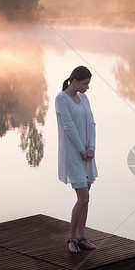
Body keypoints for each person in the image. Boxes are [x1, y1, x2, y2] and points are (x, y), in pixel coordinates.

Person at [55, 66, 98, 253]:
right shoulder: (61, 99)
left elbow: (92, 124)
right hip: (74, 155)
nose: (87, 88)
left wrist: (91, 148)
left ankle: (82, 237)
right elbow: (69, 126)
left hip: (87, 154)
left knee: (86, 199)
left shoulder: (84, 98)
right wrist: (81, 150)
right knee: (83, 197)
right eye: (85, 84)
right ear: (74, 82)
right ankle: (71, 239)